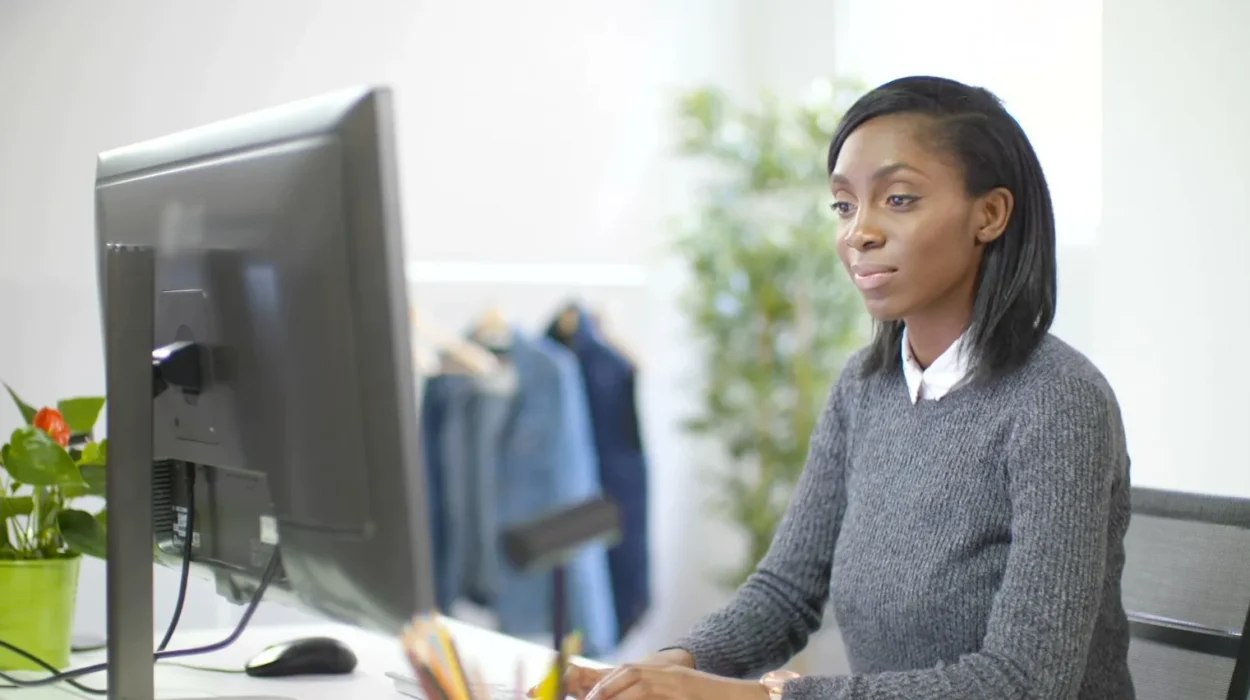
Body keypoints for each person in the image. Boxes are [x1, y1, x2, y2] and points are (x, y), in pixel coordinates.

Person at [535, 75, 1135, 699]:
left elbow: (1024, 684)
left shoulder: (1059, 403)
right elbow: (786, 594)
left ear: (990, 214)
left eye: (898, 199)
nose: (858, 233)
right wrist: (666, 668)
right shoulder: (865, 387)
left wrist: (770, 697)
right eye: (845, 205)